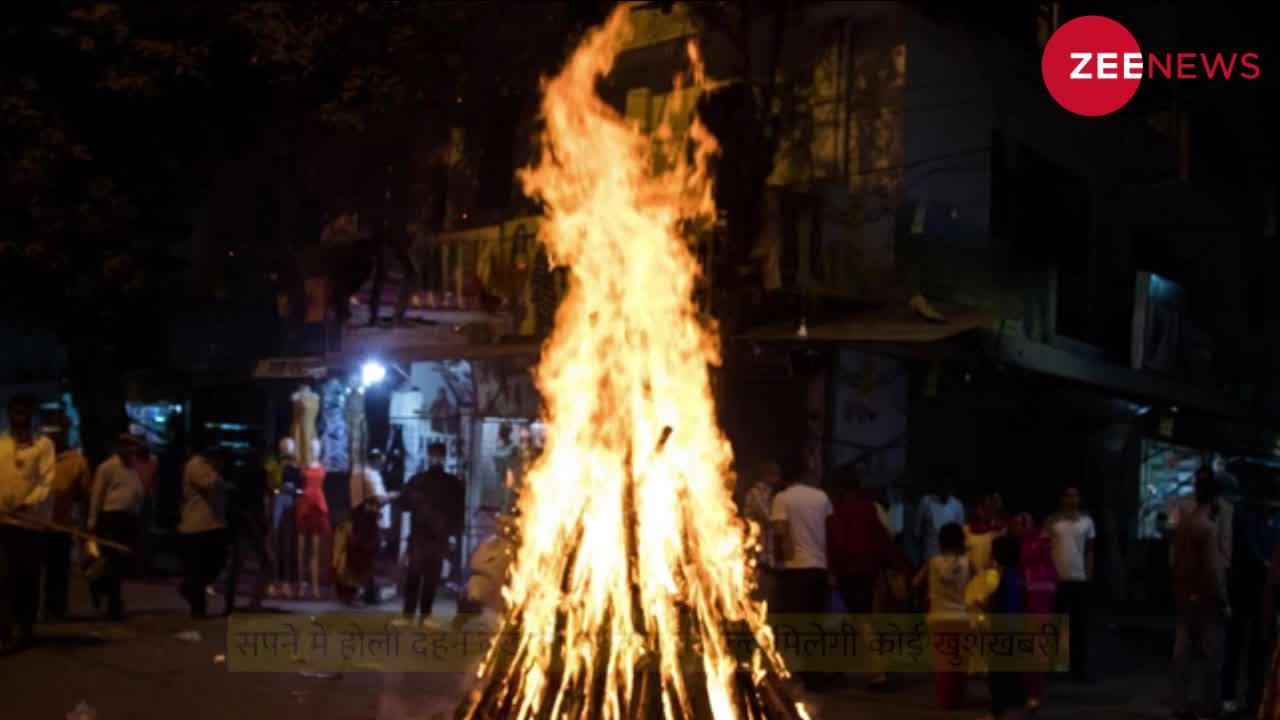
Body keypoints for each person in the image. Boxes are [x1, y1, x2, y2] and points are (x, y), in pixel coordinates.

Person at [826, 464, 904, 691]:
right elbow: (883, 540)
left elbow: (833, 544)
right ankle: (871, 669)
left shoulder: (835, 512)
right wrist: (893, 566)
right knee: (862, 619)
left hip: (846, 572)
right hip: (868, 572)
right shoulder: (870, 509)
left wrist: (831, 571)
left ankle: (876, 673)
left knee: (857, 621)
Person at [1170, 470, 1228, 720]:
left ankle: (1180, 704)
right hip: (1206, 600)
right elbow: (1214, 571)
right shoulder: (1208, 528)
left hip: (1183, 595)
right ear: (1215, 499)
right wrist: (1223, 600)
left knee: (1182, 653)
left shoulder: (1183, 524)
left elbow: (1175, 562)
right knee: (1212, 655)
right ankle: (1209, 706)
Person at [769, 468, 834, 690]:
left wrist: (781, 563)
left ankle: (806, 673)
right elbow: (830, 530)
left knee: (797, 623)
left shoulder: (782, 498)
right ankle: (817, 672)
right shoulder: (822, 497)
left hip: (796, 569)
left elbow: (781, 533)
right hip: (819, 567)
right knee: (816, 621)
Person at [0, 395, 55, 652]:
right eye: (15, 412)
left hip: (30, 524)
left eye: (25, 412)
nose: (20, 416)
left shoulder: (43, 446)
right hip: (3, 522)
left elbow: (46, 482)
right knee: (4, 578)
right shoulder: (1, 444)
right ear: (9, 415)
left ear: (31, 415)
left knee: (27, 579)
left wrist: (27, 503)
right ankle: (6, 631)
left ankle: (26, 629)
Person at [1222, 476, 1278, 716]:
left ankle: (1253, 696)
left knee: (1259, 648)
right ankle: (1230, 696)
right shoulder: (1244, 518)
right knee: (1237, 645)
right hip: (1244, 589)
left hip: (1264, 593)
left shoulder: (1271, 520)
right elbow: (1241, 554)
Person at [399, 442, 465, 622]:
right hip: (437, 538)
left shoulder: (417, 481)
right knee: (429, 577)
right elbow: (458, 512)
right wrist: (453, 534)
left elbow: (403, 503)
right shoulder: (453, 484)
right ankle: (424, 615)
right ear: (444, 458)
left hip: (421, 537)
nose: (435, 459)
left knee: (416, 576)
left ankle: (409, 615)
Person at [914, 522, 973, 710]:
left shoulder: (933, 562)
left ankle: (946, 701)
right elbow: (980, 583)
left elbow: (915, 582)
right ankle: (959, 698)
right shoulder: (968, 562)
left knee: (943, 663)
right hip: (962, 617)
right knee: (960, 662)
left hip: (938, 617)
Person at [87, 435, 144, 620]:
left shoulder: (132, 469)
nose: (130, 450)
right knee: (114, 561)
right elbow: (97, 494)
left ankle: (100, 585)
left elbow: (136, 494)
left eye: (132, 446)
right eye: (126, 446)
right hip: (112, 518)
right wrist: (92, 521)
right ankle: (114, 604)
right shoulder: (108, 467)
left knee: (122, 563)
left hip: (128, 520)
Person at [1047, 484, 1095, 682]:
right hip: (1057, 579)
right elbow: (1044, 548)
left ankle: (1078, 671)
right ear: (1062, 499)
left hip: (1078, 579)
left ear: (1079, 499)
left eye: (1074, 495)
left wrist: (1089, 574)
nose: (1071, 499)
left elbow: (1090, 550)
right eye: (1067, 495)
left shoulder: (1087, 521)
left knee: (1078, 627)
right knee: (1055, 625)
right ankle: (1050, 668)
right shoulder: (1053, 521)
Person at [45, 411, 90, 620]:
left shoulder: (76, 461)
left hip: (60, 525)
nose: (54, 436)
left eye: (59, 431)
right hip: (31, 524)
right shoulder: (35, 457)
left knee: (58, 572)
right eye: (50, 431)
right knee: (26, 573)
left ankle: (55, 611)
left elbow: (83, 497)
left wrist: (84, 528)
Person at [1009, 512, 1055, 712]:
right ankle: (1024, 693)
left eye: (1020, 525)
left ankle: (1033, 694)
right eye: (1014, 525)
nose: (1015, 528)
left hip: (1037, 604)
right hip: (1021, 604)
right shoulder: (1013, 548)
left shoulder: (1040, 547)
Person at [178, 443, 228, 618]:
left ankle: (192, 592)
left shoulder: (208, 466)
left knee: (215, 563)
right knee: (199, 567)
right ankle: (196, 604)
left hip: (212, 524)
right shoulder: (196, 465)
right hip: (197, 525)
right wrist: (218, 470)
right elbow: (212, 484)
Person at [224, 448, 273, 614]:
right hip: (252, 522)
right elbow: (260, 500)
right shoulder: (259, 473)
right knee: (266, 562)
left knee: (238, 564)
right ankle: (254, 602)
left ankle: (230, 604)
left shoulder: (241, 473)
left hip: (244, 521)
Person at [985, 535, 1028, 720]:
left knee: (997, 674)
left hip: (999, 628)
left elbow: (990, 603)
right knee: (1011, 670)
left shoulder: (997, 576)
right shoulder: (1018, 576)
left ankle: (997, 713)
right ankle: (1023, 704)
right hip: (1016, 626)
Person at [342, 448, 389, 605]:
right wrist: (391, 497)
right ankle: (358, 593)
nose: (382, 464)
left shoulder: (367, 474)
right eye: (381, 461)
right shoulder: (365, 475)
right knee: (363, 559)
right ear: (375, 460)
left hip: (370, 521)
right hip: (366, 522)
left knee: (368, 559)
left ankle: (368, 593)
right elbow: (375, 499)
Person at [741, 460, 782, 604]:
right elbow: (768, 517)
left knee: (768, 588)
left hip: (767, 550)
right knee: (759, 587)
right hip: (758, 550)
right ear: (766, 476)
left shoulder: (770, 494)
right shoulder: (756, 493)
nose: (777, 478)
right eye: (774, 474)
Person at [915, 474, 965, 561]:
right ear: (938, 487)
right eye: (943, 487)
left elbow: (960, 534)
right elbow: (917, 532)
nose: (946, 490)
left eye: (948, 487)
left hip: (950, 559)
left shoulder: (957, 505)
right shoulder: (925, 502)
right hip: (930, 557)